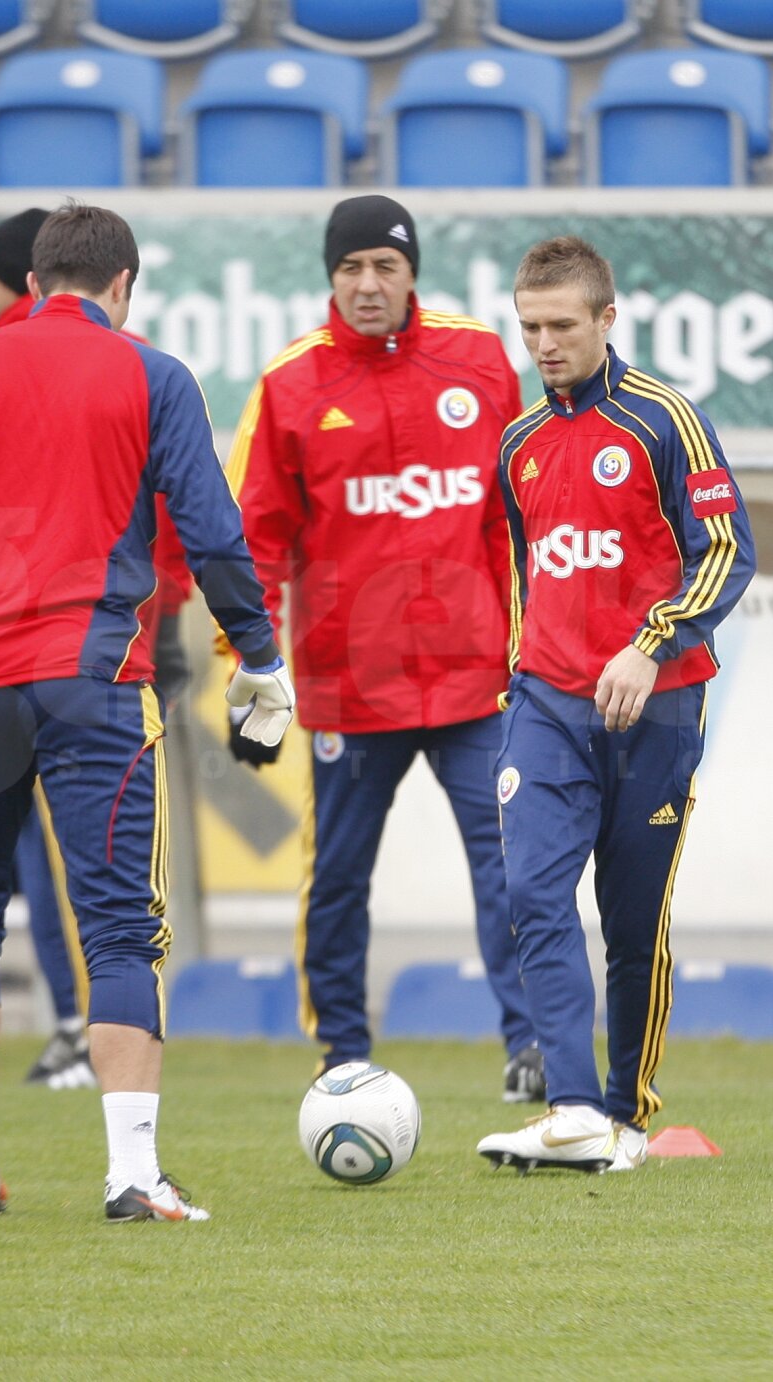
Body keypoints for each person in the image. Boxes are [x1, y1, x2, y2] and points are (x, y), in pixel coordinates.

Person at [0, 201, 293, 1221]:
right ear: (122, 283)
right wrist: (258, 655)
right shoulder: (151, 373)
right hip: (95, 679)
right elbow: (214, 533)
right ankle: (132, 1171)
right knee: (121, 926)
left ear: (37, 280)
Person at [226, 194, 543, 1098]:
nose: (368, 285)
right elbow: (257, 539)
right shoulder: (291, 383)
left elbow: (510, 521)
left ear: (412, 273)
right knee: (338, 882)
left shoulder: (480, 360)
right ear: (331, 275)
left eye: (385, 267)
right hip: (348, 688)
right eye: (350, 268)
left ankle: (532, 1046)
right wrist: (252, 676)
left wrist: (522, 643)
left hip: (475, 677)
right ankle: (342, 1058)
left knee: (516, 864)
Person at [475, 236, 756, 1175]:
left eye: (561, 326)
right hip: (549, 705)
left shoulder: (666, 422)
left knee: (632, 921)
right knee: (531, 892)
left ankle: (628, 1117)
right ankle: (572, 1110)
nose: (544, 345)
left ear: (606, 320)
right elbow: (524, 574)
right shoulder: (517, 442)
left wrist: (652, 640)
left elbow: (725, 551)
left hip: (659, 705)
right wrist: (518, 673)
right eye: (529, 328)